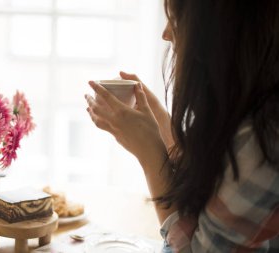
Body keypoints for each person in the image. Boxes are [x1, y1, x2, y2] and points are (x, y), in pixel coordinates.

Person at [85, 0, 279, 252]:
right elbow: (213, 185)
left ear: (216, 31)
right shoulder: (246, 106)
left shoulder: (262, 142)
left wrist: (150, 155)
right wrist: (161, 125)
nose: (166, 34)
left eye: (176, 20)